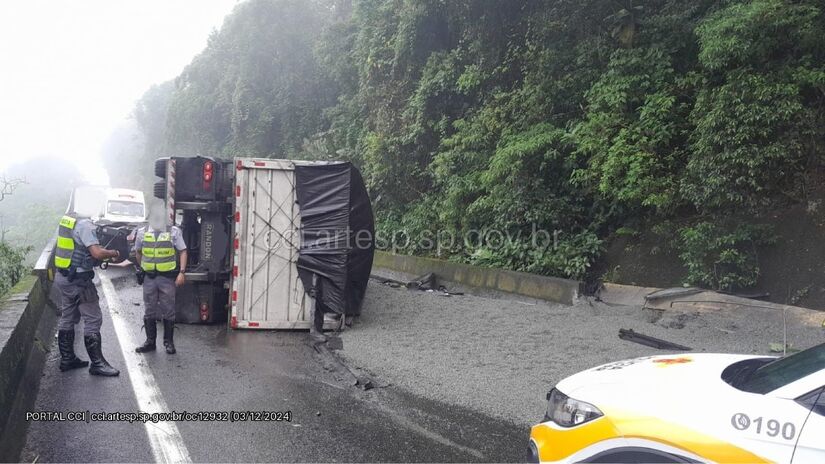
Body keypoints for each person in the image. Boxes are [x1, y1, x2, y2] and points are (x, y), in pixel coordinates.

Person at [53, 204, 121, 376]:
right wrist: (114, 252)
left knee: (68, 317)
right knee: (93, 318)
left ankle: (67, 359)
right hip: (79, 281)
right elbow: (97, 253)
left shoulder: (68, 220)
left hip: (63, 276)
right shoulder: (84, 224)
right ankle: (97, 364)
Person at [134, 207, 187, 355]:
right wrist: (142, 267)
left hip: (167, 278)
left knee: (168, 310)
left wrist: (182, 272)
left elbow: (182, 251)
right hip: (149, 278)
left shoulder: (173, 231)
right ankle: (150, 342)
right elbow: (138, 253)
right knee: (149, 310)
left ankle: (168, 342)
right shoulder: (142, 232)